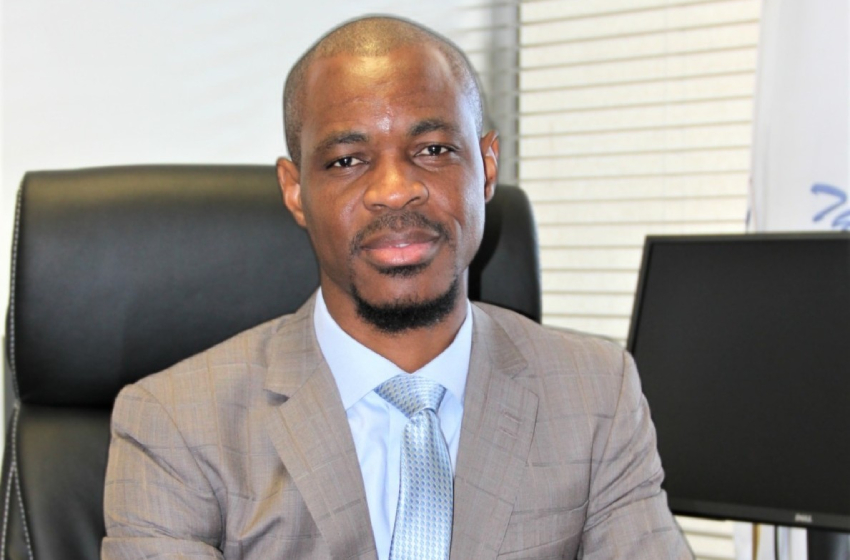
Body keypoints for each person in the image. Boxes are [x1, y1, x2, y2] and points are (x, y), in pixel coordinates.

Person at [102, 15, 693, 560]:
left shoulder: (596, 395)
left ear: (487, 166)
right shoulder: (176, 425)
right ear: (295, 190)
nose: (394, 190)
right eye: (347, 160)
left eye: (433, 150)